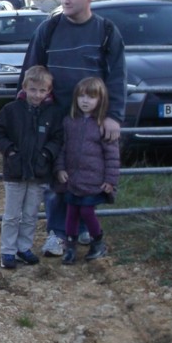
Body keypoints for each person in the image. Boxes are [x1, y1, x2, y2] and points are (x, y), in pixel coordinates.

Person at [21, 0, 126, 257]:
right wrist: (28, 112)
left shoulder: (106, 31)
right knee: (58, 177)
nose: (65, 0)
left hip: (92, 120)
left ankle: (80, 228)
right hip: (55, 118)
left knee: (88, 172)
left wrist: (114, 116)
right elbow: (31, 72)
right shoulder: (49, 29)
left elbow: (117, 76)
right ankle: (56, 233)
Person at [0, 65, 64, 270]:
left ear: (49, 91)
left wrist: (46, 154)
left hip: (39, 172)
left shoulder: (53, 113)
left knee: (31, 214)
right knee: (12, 214)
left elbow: (58, 138)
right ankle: (8, 250)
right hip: (15, 171)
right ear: (24, 87)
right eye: (33, 89)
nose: (37, 95)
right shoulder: (11, 110)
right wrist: (10, 152)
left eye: (42, 90)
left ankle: (24, 247)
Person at [55, 77, 119, 264]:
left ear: (100, 100)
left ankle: (97, 242)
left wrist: (111, 180)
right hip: (72, 179)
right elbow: (62, 148)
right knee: (71, 212)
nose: (85, 101)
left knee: (87, 211)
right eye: (81, 96)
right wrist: (60, 168)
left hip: (93, 180)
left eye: (91, 97)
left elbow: (112, 156)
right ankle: (70, 247)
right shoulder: (69, 122)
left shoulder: (102, 125)